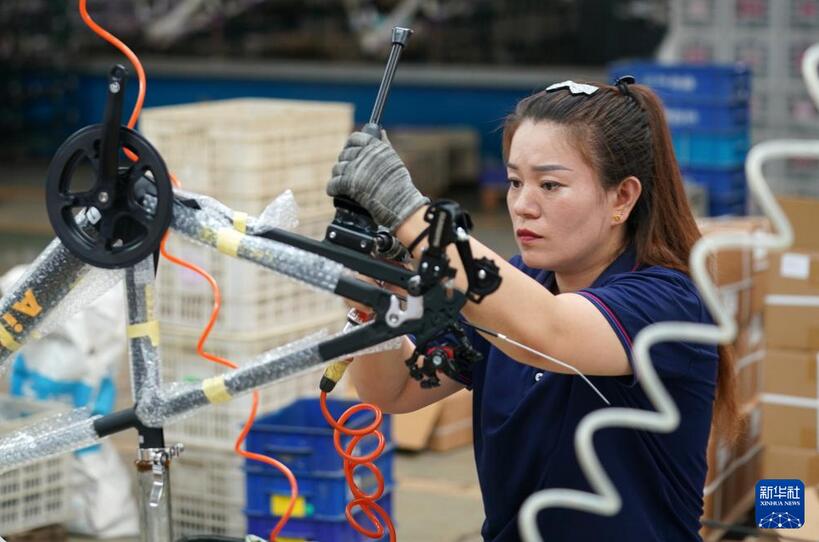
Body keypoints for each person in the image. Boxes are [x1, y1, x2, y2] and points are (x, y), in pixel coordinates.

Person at [327, 78, 737, 541]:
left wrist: (410, 214)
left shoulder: (667, 302)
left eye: (550, 184)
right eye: (514, 181)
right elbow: (394, 391)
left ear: (623, 197)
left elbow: (549, 334)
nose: (522, 205)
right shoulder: (513, 286)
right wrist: (370, 297)